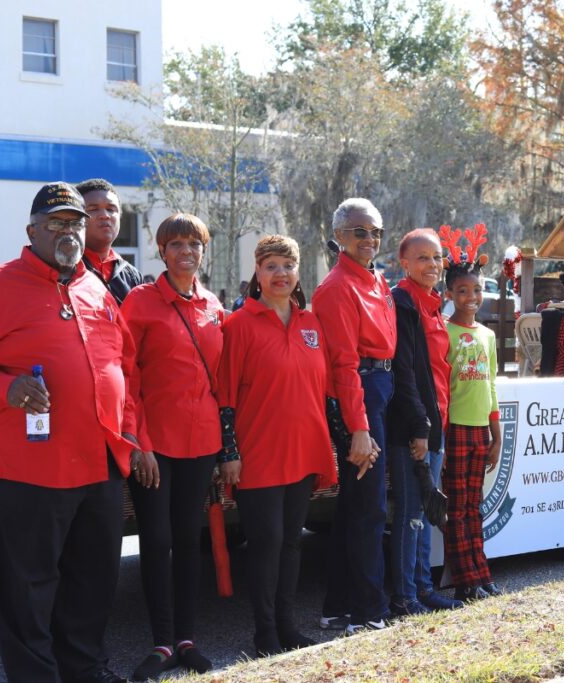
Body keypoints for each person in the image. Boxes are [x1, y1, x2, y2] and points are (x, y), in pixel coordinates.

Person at [0, 182, 139, 683]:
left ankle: (85, 670)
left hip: (98, 464)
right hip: (29, 470)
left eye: (74, 223)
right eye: (56, 223)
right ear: (32, 231)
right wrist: (3, 387)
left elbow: (123, 365)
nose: (68, 232)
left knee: (92, 581)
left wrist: (132, 437)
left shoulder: (95, 287)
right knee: (26, 590)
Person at [218, 235, 338, 654]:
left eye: (288, 266)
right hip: (259, 454)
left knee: (291, 542)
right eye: (271, 266)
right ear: (258, 273)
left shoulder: (312, 325)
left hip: (303, 450)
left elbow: (323, 390)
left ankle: (287, 626)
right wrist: (230, 452)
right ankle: (264, 631)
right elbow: (225, 395)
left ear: (298, 271)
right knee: (266, 542)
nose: (280, 274)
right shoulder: (238, 324)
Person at [120, 214, 224, 680]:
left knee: (187, 542)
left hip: (201, 443)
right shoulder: (140, 303)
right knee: (156, 541)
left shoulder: (212, 304)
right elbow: (126, 378)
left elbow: (221, 381)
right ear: (162, 252)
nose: (186, 251)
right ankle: (161, 642)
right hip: (153, 445)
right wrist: (138, 442)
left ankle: (186, 639)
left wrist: (226, 450)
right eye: (176, 243)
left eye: (194, 243)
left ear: (204, 252)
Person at [313, 198, 396, 635]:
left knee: (355, 508)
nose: (370, 239)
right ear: (340, 236)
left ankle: (339, 606)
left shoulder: (375, 280)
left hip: (380, 386)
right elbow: (343, 365)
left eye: (376, 232)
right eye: (360, 231)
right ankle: (367, 610)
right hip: (358, 394)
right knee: (368, 509)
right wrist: (359, 429)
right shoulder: (337, 287)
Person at [387, 229, 464, 616]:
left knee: (423, 513)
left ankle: (422, 587)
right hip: (413, 428)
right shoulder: (401, 303)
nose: (431, 265)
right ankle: (404, 595)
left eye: (436, 258)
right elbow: (404, 373)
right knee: (410, 513)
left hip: (437, 423)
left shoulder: (434, 304)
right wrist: (420, 426)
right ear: (404, 262)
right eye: (422, 258)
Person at [443, 234, 502, 601]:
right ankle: (466, 580)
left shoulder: (488, 335)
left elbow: (492, 386)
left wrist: (497, 436)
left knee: (473, 507)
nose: (471, 298)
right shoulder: (442, 332)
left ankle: (482, 573)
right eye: (462, 291)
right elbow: (441, 389)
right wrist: (442, 440)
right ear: (450, 294)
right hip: (455, 431)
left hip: (481, 431)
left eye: (476, 291)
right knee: (457, 507)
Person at [75, 178, 144, 305]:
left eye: (111, 209)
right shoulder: (64, 269)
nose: (105, 215)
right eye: (93, 209)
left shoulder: (132, 276)